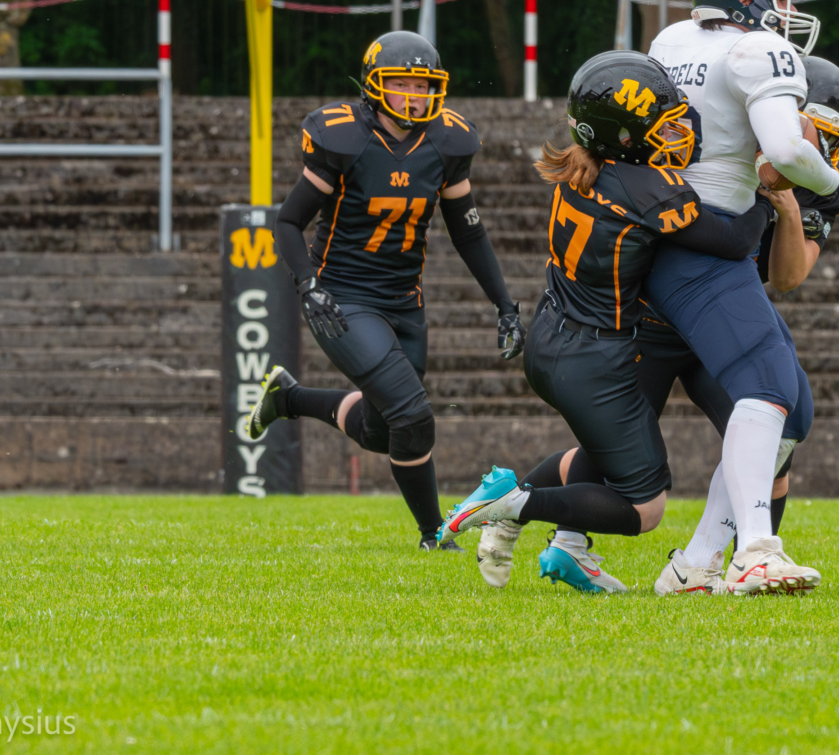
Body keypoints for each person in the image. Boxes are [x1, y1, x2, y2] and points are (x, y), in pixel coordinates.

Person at [434, 52, 775, 593]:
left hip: (551, 336)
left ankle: (513, 515)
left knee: (598, 455)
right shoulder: (648, 189)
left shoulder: (583, 162)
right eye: (661, 123)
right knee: (644, 506)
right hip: (592, 356)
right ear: (624, 137)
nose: (679, 129)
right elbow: (734, 241)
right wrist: (767, 197)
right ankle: (512, 505)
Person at [243, 30, 525, 551]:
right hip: (344, 299)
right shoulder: (343, 138)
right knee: (414, 415)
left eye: (423, 85)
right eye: (401, 84)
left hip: (404, 301)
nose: (415, 96)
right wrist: (307, 284)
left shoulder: (446, 142)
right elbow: (288, 221)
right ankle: (433, 534)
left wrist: (503, 303)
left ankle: (289, 399)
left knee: (383, 430)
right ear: (375, 87)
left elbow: (468, 230)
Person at [641, 0, 839, 594]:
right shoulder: (759, 48)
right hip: (709, 241)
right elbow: (787, 150)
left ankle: (697, 562)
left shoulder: (671, 41)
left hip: (673, 230)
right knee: (766, 386)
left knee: (796, 412)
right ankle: (757, 546)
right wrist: (830, 183)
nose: (787, 10)